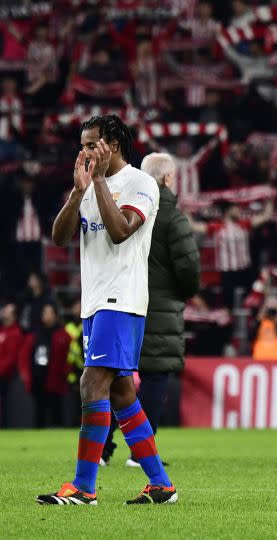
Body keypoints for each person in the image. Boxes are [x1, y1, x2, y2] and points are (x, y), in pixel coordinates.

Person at [39, 114, 176, 505]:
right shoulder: (86, 184)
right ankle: (161, 483)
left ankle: (84, 486)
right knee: (119, 393)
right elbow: (60, 237)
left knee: (91, 383)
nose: (84, 152)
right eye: (81, 145)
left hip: (123, 299)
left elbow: (120, 232)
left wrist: (97, 182)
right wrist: (77, 192)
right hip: (94, 301)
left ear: (112, 144)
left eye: (90, 144)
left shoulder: (140, 183)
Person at [101, 152, 200, 467]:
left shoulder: (120, 207)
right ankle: (140, 453)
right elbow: (189, 268)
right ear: (168, 179)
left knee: (115, 375)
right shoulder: (171, 217)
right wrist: (182, 294)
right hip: (157, 306)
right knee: (156, 376)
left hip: (119, 299)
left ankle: (100, 449)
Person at [19, 302, 70, 427]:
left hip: (56, 380)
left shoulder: (63, 335)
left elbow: (68, 358)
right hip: (38, 379)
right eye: (44, 313)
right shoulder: (35, 335)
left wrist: (66, 372)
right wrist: (26, 376)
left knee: (56, 413)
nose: (47, 316)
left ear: (56, 316)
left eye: (49, 312)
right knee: (39, 412)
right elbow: (24, 356)